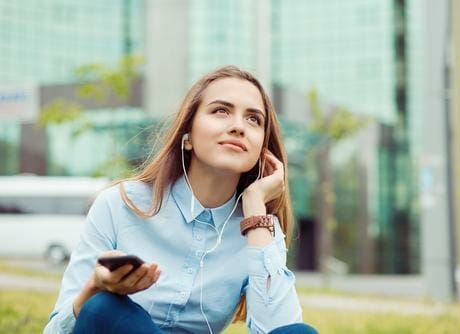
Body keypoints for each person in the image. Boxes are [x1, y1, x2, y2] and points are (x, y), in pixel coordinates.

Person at [44, 66, 318, 334]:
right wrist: (94, 285)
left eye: (253, 119)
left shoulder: (260, 232)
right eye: (221, 111)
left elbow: (278, 329)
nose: (238, 127)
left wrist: (256, 207)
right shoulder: (118, 205)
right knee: (101, 308)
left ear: (262, 149)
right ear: (187, 136)